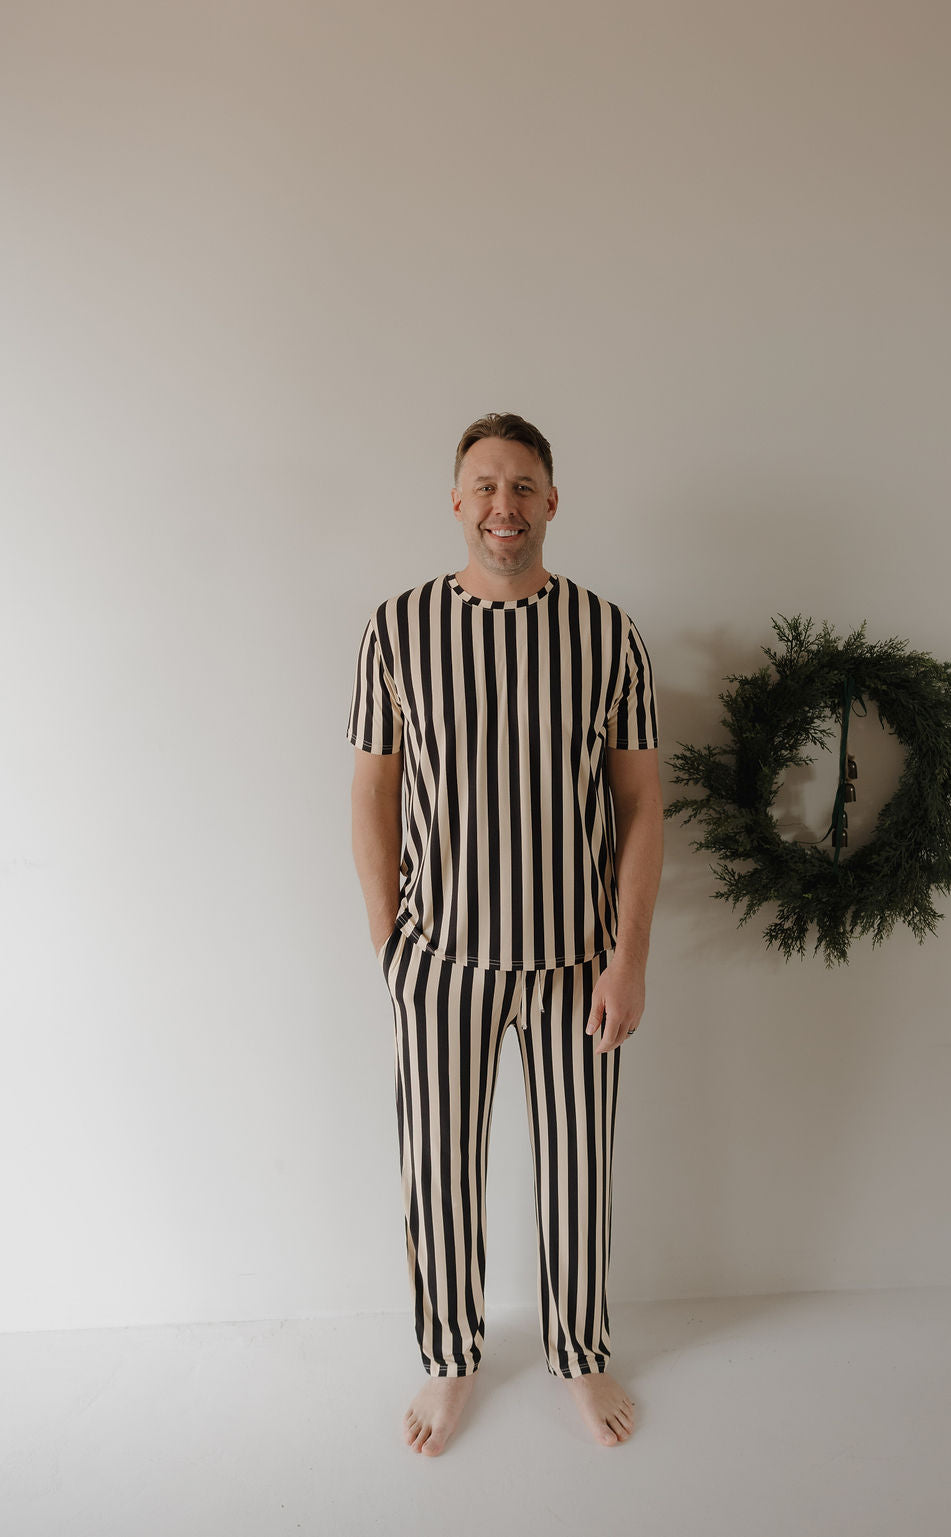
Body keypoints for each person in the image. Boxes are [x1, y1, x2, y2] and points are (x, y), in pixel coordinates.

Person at [347, 412, 663, 1455]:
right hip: (440, 960)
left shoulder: (607, 632)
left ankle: (578, 1350)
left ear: (552, 501)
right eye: (485, 485)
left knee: (582, 1171)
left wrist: (628, 957)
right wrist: (392, 945)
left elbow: (641, 805)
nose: (503, 505)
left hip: (577, 961)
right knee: (436, 1169)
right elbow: (370, 796)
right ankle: (449, 1356)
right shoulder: (395, 630)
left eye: (523, 486)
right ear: (454, 499)